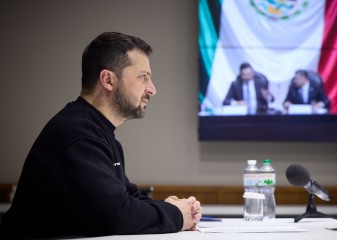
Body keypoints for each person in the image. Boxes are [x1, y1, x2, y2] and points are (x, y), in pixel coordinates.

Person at [0, 32, 202, 239]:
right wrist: (176, 215)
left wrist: (172, 207)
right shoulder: (79, 136)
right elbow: (116, 216)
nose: (152, 89)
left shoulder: (97, 132)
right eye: (143, 77)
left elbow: (127, 197)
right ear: (108, 80)